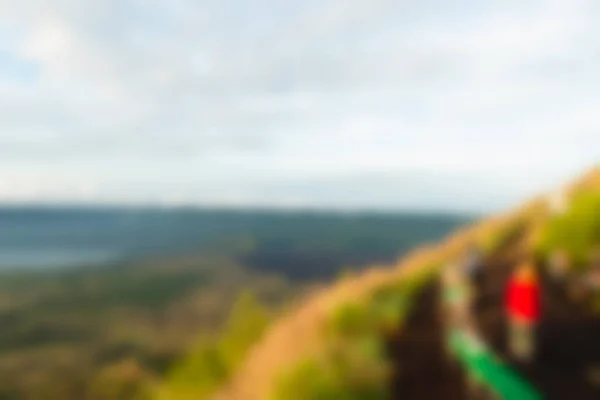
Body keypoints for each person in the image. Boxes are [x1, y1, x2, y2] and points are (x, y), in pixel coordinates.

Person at [505, 261, 541, 363]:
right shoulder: (519, 284)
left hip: (524, 316)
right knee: (520, 336)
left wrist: (519, 313)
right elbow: (511, 298)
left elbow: (532, 303)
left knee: (525, 337)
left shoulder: (530, 286)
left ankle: (524, 355)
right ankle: (520, 354)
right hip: (520, 315)